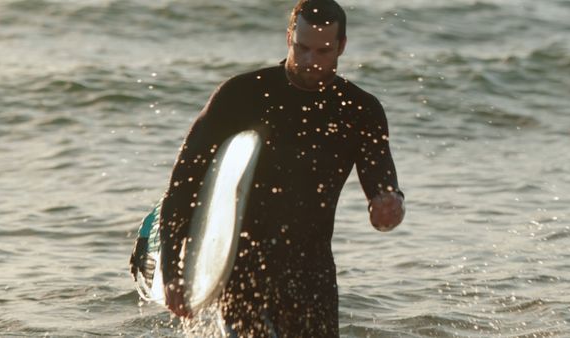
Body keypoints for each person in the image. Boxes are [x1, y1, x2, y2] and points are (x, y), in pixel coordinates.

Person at [157, 0, 405, 336]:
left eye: (322, 51)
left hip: (312, 272)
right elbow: (185, 182)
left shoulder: (360, 110)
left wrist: (388, 206)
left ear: (341, 47)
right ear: (289, 36)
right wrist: (172, 272)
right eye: (302, 48)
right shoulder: (243, 94)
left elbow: (381, 183)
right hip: (242, 267)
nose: (310, 61)